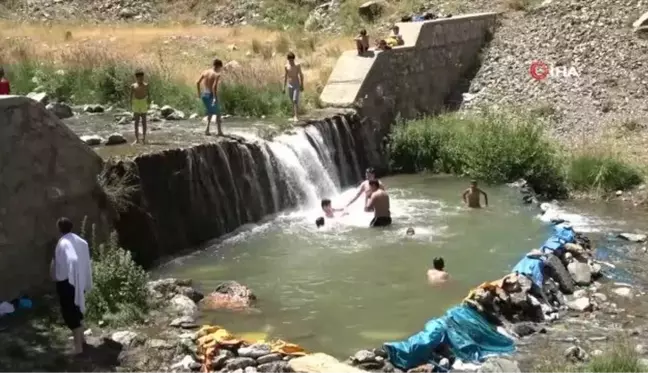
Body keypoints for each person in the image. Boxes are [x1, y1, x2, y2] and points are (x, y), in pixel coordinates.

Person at [50, 217, 93, 355]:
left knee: (70, 313)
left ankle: (78, 349)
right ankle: (83, 340)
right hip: (78, 282)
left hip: (68, 283)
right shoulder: (79, 241)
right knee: (77, 310)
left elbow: (73, 259)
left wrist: (72, 272)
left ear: (59, 228)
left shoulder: (63, 243)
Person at [196, 58, 224, 136]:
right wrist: (215, 98)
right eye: (220, 68)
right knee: (218, 113)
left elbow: (197, 82)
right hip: (211, 95)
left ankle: (207, 130)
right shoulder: (216, 74)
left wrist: (198, 94)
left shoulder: (205, 72)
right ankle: (219, 132)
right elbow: (214, 87)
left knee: (210, 112)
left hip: (204, 95)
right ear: (218, 66)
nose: (220, 70)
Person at [130, 69, 150, 145]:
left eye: (142, 78)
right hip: (136, 103)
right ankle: (137, 139)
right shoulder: (133, 86)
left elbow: (149, 94)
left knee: (144, 122)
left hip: (143, 103)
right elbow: (131, 96)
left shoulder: (146, 85)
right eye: (139, 78)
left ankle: (144, 138)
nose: (141, 79)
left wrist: (148, 103)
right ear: (136, 78)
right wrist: (131, 104)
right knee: (136, 122)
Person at [283, 52, 304, 122]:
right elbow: (285, 77)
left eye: (292, 60)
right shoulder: (286, 66)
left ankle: (296, 116)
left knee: (295, 100)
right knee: (292, 100)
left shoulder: (297, 65)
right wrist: (284, 87)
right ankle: (294, 114)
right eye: (289, 60)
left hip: (296, 84)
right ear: (288, 59)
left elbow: (301, 75)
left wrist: (302, 85)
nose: (291, 61)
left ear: (293, 59)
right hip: (290, 84)